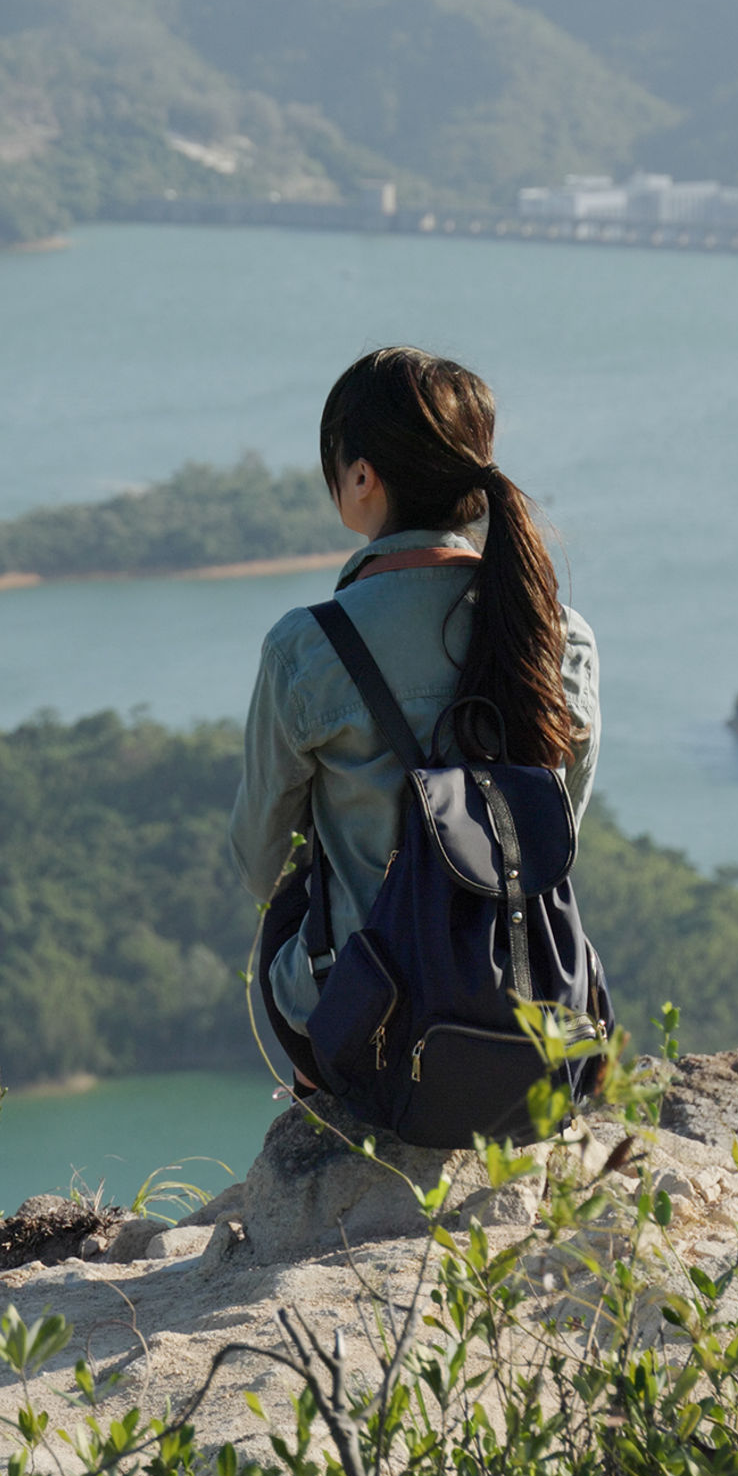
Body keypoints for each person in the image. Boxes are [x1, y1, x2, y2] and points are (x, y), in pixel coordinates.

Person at [234, 345, 603, 1057]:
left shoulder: (306, 648)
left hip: (371, 1030)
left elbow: (260, 862)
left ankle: (326, 1085)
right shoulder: (560, 634)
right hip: (533, 1014)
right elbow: (563, 834)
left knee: (289, 914)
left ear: (362, 476)